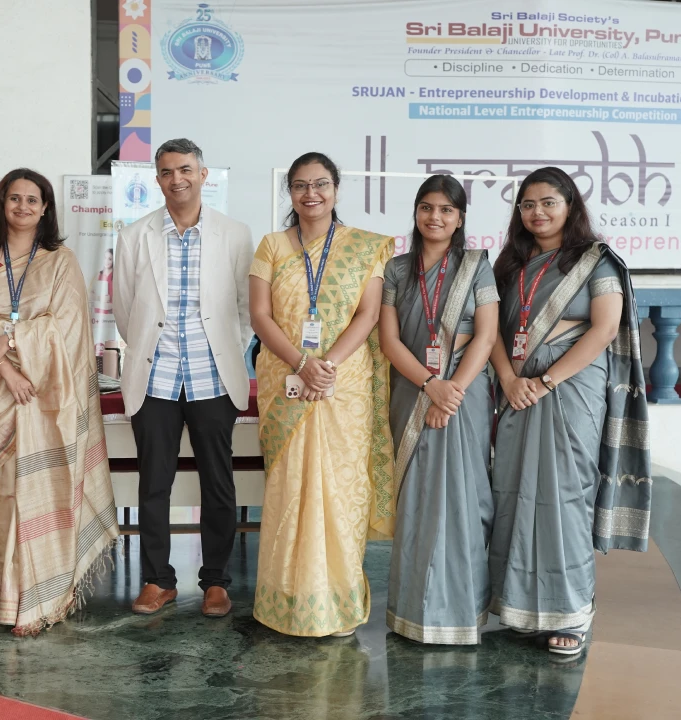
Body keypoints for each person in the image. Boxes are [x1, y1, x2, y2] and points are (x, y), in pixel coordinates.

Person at [489, 166, 652, 658]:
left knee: (563, 495)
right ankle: (521, 606)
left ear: (570, 207)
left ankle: (571, 612)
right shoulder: (510, 266)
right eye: (528, 204)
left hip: (571, 391)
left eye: (548, 203)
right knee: (515, 492)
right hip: (517, 391)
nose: (537, 212)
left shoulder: (596, 262)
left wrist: (543, 381)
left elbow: (604, 329)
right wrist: (511, 380)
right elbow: (491, 331)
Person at [0, 168, 119, 635]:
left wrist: (7, 338)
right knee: (1, 490)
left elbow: (67, 327)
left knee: (38, 486)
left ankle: (38, 597)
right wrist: (6, 367)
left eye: (32, 200)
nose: (23, 207)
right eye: (14, 199)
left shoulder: (60, 260)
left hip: (46, 390)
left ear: (45, 207)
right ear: (1, 204)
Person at [249, 151, 395, 637]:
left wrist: (326, 365)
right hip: (288, 381)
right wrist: (302, 363)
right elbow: (260, 316)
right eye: (300, 186)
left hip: (342, 385)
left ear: (335, 188)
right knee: (290, 487)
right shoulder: (271, 245)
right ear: (289, 192)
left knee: (340, 491)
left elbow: (368, 315)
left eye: (321, 184)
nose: (311, 194)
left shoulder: (367, 247)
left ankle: (336, 602)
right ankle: (286, 601)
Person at [114, 138, 253, 618]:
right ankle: (158, 580)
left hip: (213, 375)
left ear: (203, 173)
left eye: (186, 169)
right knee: (155, 482)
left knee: (219, 483)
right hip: (155, 376)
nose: (178, 179)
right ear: (157, 179)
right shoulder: (135, 235)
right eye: (168, 171)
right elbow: (124, 309)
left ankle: (215, 581)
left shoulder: (234, 234)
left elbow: (244, 308)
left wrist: (225, 347)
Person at [379, 175, 499, 645]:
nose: (435, 217)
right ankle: (412, 612)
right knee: (419, 500)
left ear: (460, 218)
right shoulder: (395, 270)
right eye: (427, 208)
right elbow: (389, 340)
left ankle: (460, 611)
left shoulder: (477, 267)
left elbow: (486, 336)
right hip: (412, 391)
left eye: (446, 210)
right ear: (415, 212)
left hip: (464, 399)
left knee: (463, 499)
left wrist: (451, 393)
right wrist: (431, 385)